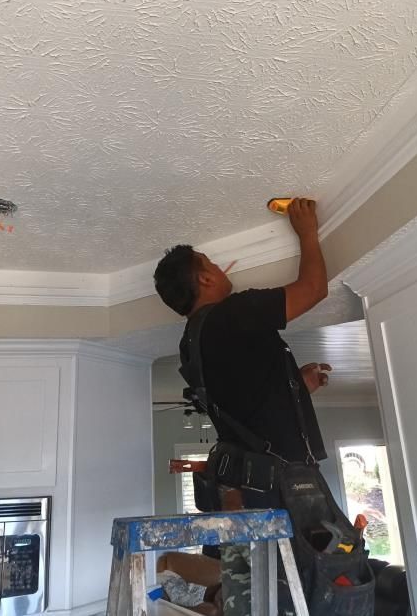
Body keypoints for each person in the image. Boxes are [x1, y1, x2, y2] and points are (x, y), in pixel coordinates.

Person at [153, 198, 332, 615]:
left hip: (249, 483)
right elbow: (313, 291)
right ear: (203, 276)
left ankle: (217, 604)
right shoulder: (234, 314)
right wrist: (306, 231)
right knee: (301, 585)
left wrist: (296, 385)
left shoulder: (190, 345)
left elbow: (246, 404)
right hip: (278, 482)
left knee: (260, 590)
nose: (219, 267)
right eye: (211, 262)